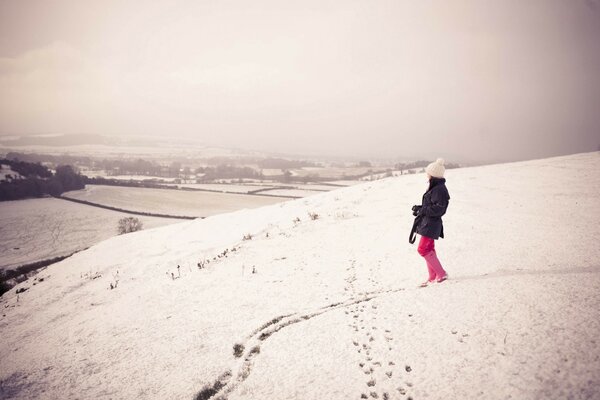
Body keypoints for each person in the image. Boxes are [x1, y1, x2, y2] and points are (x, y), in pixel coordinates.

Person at [413, 158, 450, 287]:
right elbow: (431, 205)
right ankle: (433, 275)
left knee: (422, 249)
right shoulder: (435, 187)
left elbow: (439, 209)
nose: (427, 174)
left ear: (433, 174)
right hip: (428, 222)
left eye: (428, 172)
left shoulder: (439, 189)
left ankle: (441, 273)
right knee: (429, 248)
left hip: (432, 224)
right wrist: (420, 208)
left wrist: (423, 210)